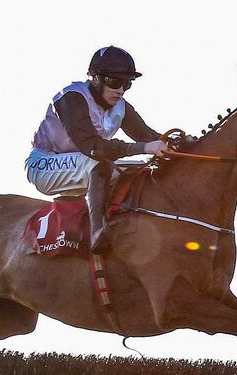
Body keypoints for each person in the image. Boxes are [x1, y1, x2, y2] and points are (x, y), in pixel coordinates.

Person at [25, 46, 169, 253]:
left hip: (82, 164)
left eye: (127, 84)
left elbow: (146, 135)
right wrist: (145, 147)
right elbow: (93, 148)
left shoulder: (121, 106)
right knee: (99, 162)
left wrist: (179, 142)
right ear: (95, 78)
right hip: (44, 164)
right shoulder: (72, 98)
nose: (120, 90)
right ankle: (98, 233)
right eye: (114, 81)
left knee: (138, 168)